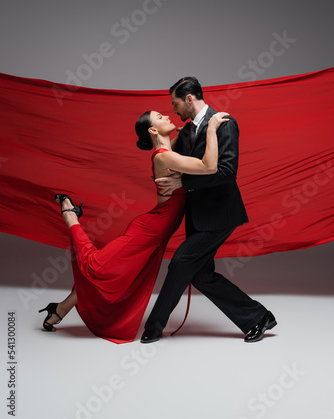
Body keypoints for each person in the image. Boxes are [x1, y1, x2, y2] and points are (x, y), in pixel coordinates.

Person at [38, 109, 229, 343]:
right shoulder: (163, 156)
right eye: (160, 117)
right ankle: (71, 215)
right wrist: (211, 128)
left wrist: (189, 127)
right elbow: (209, 165)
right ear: (152, 130)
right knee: (97, 268)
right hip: (149, 230)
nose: (168, 117)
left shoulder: (169, 149)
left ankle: (60, 309)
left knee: (118, 276)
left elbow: (185, 133)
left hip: (156, 232)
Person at [141, 77, 277, 344]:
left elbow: (227, 172)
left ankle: (154, 326)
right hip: (197, 213)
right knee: (201, 275)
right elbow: (177, 162)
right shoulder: (186, 130)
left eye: (175, 103)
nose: (174, 110)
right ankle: (257, 318)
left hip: (220, 212)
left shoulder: (224, 123)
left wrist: (183, 181)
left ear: (189, 99)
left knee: (180, 262)